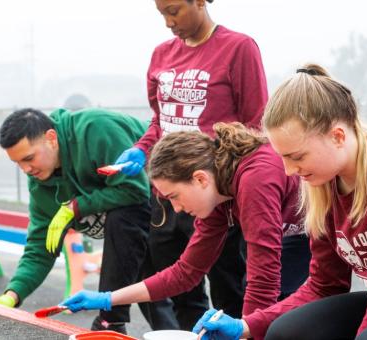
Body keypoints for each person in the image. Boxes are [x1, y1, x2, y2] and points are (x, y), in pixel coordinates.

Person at [191, 64, 367, 340]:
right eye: (283, 158)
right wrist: (246, 326)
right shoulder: (325, 182)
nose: (289, 171)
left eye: (297, 156)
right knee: (284, 332)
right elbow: (324, 285)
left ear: (337, 136)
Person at [112, 0, 270, 329]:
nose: (169, 22)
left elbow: (257, 124)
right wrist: (141, 150)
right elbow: (159, 120)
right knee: (183, 290)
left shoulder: (238, 48)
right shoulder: (161, 55)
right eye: (162, 14)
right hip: (171, 196)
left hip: (214, 194)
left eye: (174, 10)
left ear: (199, 1)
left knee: (230, 288)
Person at [60, 122, 311, 323]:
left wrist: (244, 330)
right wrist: (107, 298)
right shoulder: (218, 196)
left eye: (174, 197)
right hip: (298, 233)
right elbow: (185, 273)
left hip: (324, 230)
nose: (177, 209)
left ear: (200, 179)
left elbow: (263, 279)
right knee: (269, 314)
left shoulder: (255, 180)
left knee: (280, 312)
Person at [0, 107, 177, 334]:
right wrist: (12, 295)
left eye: (29, 158)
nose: (25, 169)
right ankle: (122, 325)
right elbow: (40, 247)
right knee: (151, 293)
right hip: (137, 224)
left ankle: (109, 321)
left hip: (172, 196)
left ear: (51, 139)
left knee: (183, 294)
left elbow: (134, 191)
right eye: (18, 163)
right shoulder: (39, 185)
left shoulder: (96, 130)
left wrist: (75, 207)